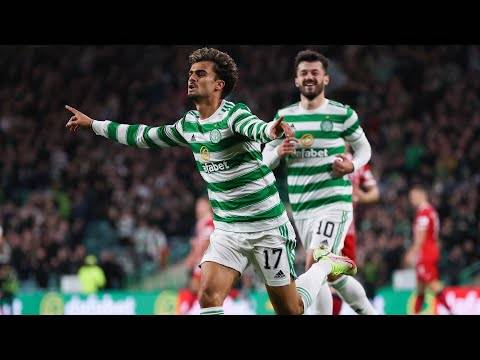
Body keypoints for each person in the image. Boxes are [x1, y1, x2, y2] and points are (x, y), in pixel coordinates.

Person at [65, 47, 356, 315]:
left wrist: (270, 130)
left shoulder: (234, 115)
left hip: (266, 227)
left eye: (200, 74)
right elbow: (143, 136)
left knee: (291, 310)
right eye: (191, 73)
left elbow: (255, 128)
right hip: (229, 229)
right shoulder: (189, 124)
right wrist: (95, 124)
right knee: (208, 295)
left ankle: (324, 266)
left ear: (219, 85)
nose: (192, 78)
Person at [262, 49, 375, 315]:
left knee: (317, 261)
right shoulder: (285, 116)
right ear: (296, 80)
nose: (309, 77)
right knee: (329, 274)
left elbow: (364, 150)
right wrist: (277, 152)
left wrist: (352, 165)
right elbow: (265, 157)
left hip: (335, 202)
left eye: (315, 73)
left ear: (326, 79)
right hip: (302, 207)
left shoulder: (342, 114)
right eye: (304, 73)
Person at [331, 144, 380, 315]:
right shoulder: (328, 157)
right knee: (328, 276)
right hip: (327, 224)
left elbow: (374, 193)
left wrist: (359, 195)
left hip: (348, 229)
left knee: (342, 278)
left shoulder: (358, 164)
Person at [405, 184, 451, 314]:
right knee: (420, 288)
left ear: (422, 195)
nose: (411, 200)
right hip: (431, 250)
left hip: (425, 252)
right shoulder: (431, 211)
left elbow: (421, 237)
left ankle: (451, 310)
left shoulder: (424, 213)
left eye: (413, 196)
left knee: (433, 284)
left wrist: (412, 253)